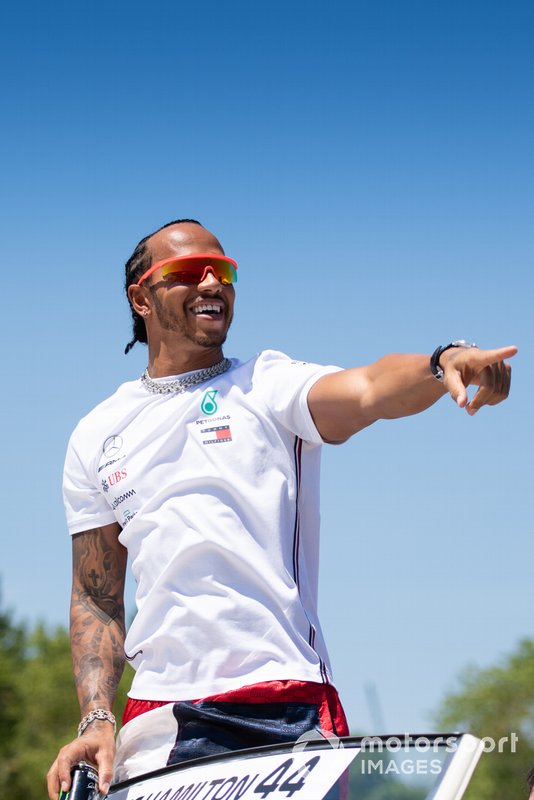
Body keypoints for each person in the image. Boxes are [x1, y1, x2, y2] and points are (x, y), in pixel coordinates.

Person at [47, 218, 516, 799]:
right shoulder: (95, 434)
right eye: (188, 272)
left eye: (225, 272)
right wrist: (96, 717)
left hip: (285, 708)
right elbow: (95, 596)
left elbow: (369, 388)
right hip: (164, 718)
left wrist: (439, 360)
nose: (213, 282)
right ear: (140, 296)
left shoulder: (266, 386)